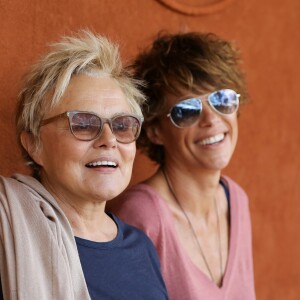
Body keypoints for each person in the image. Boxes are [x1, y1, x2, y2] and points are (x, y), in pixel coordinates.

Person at [0, 30, 168, 299]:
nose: (109, 139)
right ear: (34, 144)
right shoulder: (7, 230)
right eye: (83, 123)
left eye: (122, 125)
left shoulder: (143, 247)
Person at [110, 32, 256, 299]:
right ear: (155, 131)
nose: (212, 119)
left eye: (222, 100)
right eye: (187, 110)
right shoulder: (142, 216)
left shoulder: (236, 200)